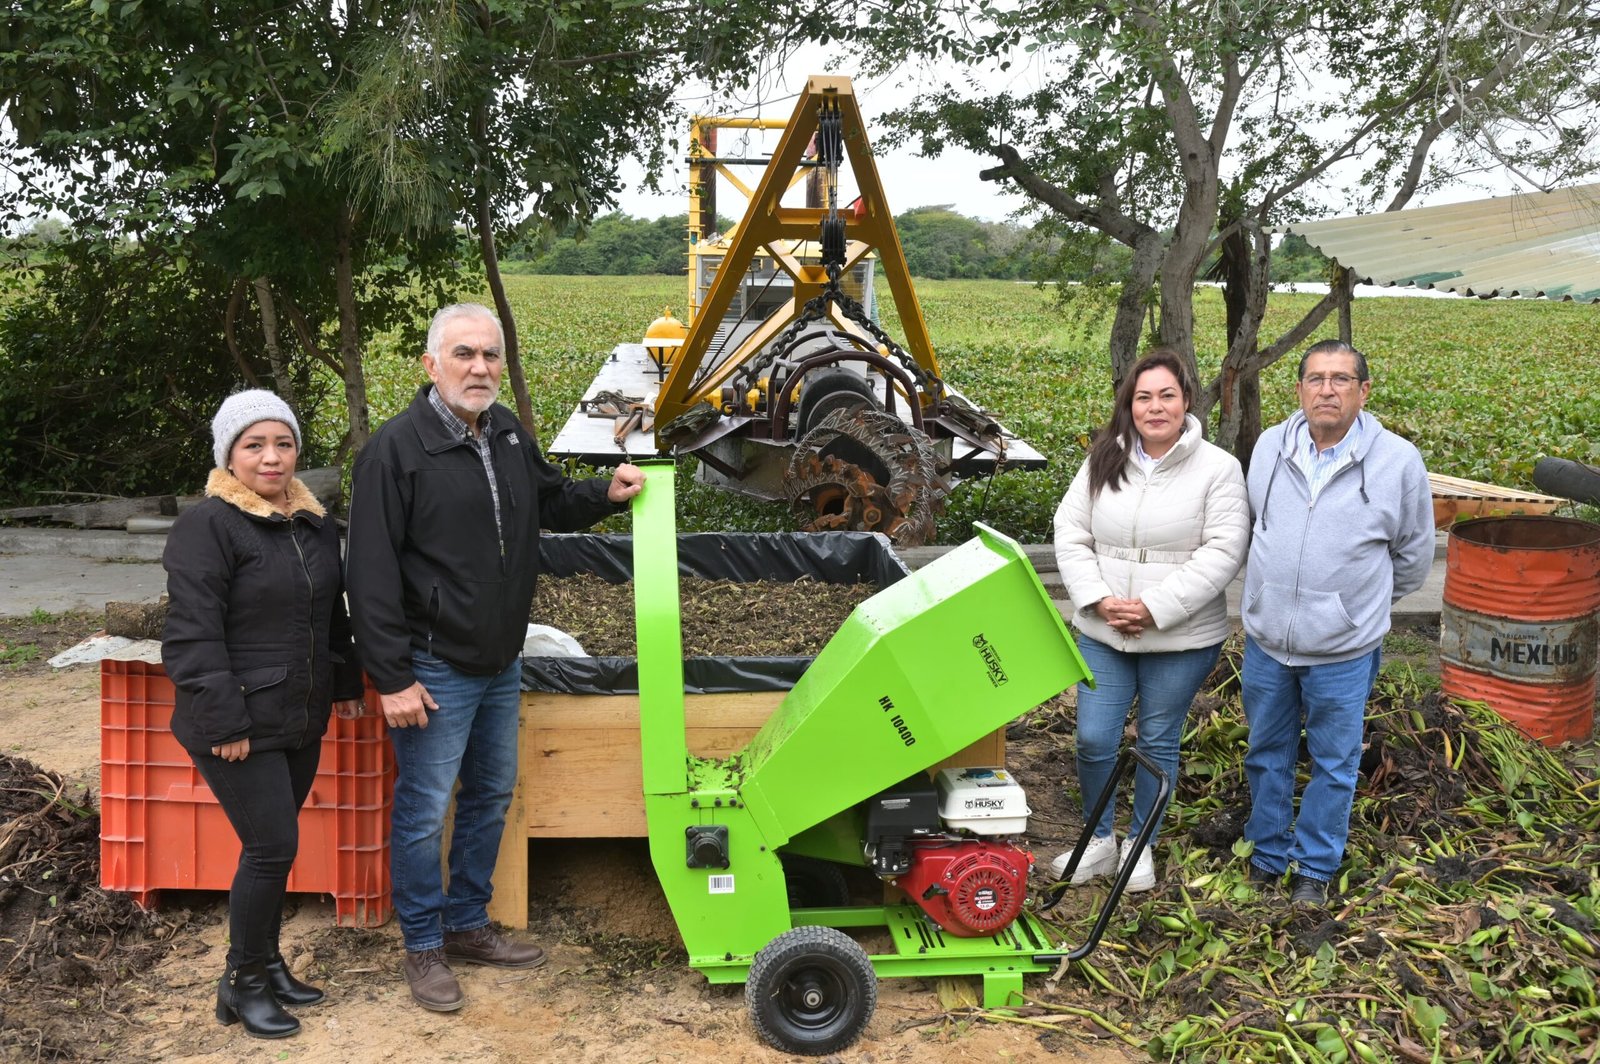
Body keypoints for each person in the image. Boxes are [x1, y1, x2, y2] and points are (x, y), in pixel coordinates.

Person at [346, 302, 644, 1012]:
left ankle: (467, 923)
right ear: (431, 365)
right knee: (424, 810)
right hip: (433, 665)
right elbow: (370, 572)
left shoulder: (506, 432)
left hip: (500, 657)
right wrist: (392, 676)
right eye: (464, 354)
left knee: (489, 795)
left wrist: (604, 493)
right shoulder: (395, 452)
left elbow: (550, 504)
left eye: (490, 355)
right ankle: (423, 946)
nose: (479, 367)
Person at [161, 389, 365, 1040]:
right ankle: (242, 981)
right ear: (229, 455)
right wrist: (225, 722)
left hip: (298, 713)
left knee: (277, 847)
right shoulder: (208, 525)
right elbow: (192, 633)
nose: (271, 457)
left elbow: (331, 614)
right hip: (237, 723)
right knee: (271, 846)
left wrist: (345, 682)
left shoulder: (313, 524)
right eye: (254, 445)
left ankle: (268, 964)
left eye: (283, 443)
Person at [1049, 349, 1249, 892]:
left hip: (1180, 637)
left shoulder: (1218, 469)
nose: (1155, 407)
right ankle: (1098, 840)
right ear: (1129, 404)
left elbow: (1224, 551)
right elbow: (1070, 532)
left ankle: (1140, 845)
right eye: (1144, 397)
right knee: (1094, 738)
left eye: (1166, 395)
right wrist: (1097, 599)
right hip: (1104, 630)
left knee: (1157, 741)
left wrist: (1153, 608)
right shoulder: (1103, 457)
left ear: (1187, 401)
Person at [1240, 339, 1432, 906]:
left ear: (1363, 391)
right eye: (1316, 379)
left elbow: (1413, 556)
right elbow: (1256, 526)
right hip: (1268, 643)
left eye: (1341, 379)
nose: (1327, 390)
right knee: (1265, 751)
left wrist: (1354, 609)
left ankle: (1314, 868)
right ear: (1299, 389)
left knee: (1334, 762)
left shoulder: (1398, 461)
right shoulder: (1270, 446)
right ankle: (1268, 854)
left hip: (1343, 651)